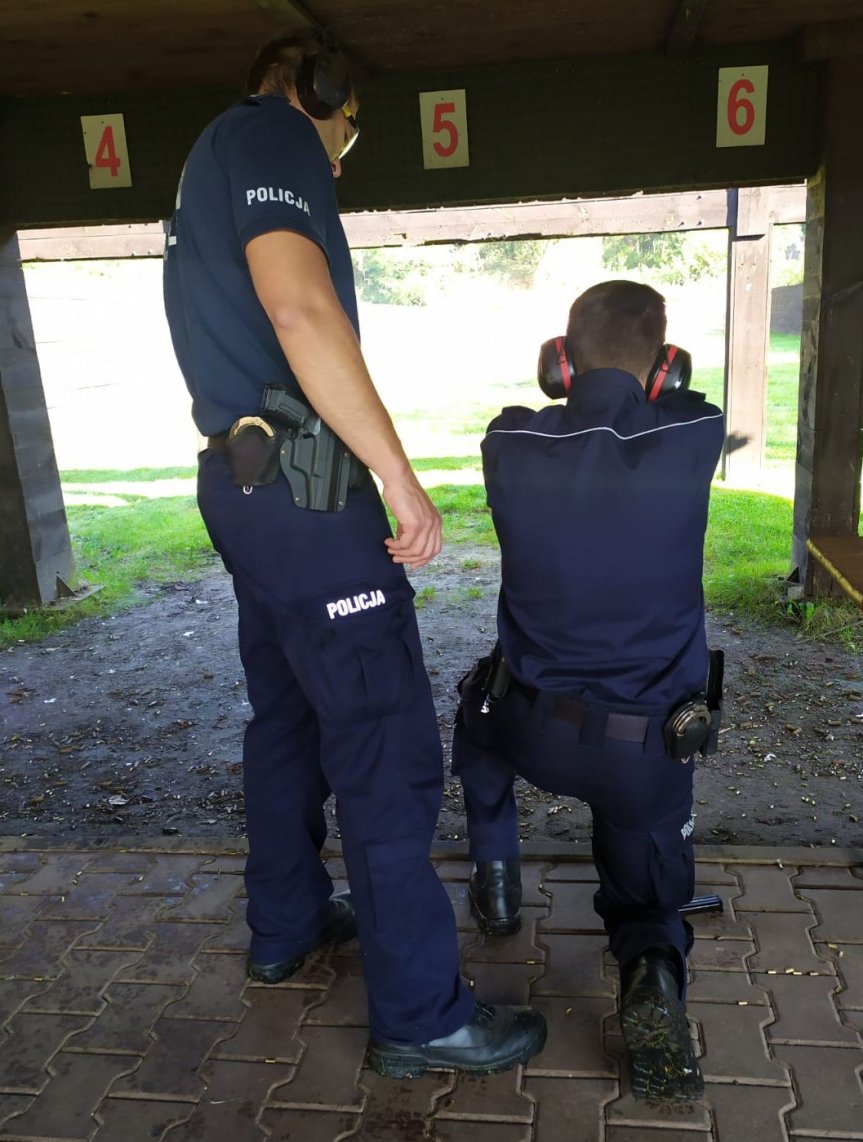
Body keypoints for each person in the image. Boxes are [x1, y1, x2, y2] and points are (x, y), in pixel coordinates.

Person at [161, 25, 545, 1077]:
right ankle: (422, 1012)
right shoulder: (277, 141)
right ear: (320, 94)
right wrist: (395, 471)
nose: (344, 146)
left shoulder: (209, 156)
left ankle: (286, 924)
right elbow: (298, 304)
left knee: (286, 714)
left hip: (239, 485)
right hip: (303, 487)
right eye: (349, 126)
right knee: (381, 743)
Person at [451, 280, 724, 1101]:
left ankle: (498, 884)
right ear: (666, 369)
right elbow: (690, 401)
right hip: (644, 745)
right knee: (646, 880)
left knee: (474, 716)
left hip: (531, 728)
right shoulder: (694, 431)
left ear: (558, 363)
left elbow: (535, 418)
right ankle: (649, 970)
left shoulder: (511, 443)